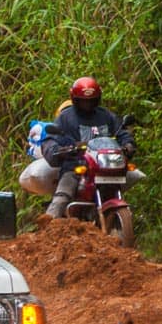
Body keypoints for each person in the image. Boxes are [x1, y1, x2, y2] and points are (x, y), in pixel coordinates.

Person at [40, 77, 136, 218]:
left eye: (91, 100)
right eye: (83, 100)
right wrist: (58, 150)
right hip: (77, 166)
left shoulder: (106, 115)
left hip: (106, 167)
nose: (87, 104)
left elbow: (121, 132)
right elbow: (50, 140)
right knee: (62, 197)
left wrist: (128, 144)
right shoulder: (65, 118)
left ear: (97, 99)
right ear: (75, 99)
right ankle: (47, 227)